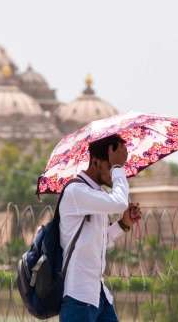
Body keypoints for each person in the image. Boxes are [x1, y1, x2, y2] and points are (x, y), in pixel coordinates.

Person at [59, 134, 141, 322]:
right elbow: (120, 202)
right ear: (96, 162)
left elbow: (99, 241)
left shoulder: (95, 194)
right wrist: (119, 166)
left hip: (98, 295)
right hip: (78, 297)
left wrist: (123, 224)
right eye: (110, 167)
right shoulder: (76, 192)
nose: (114, 174)